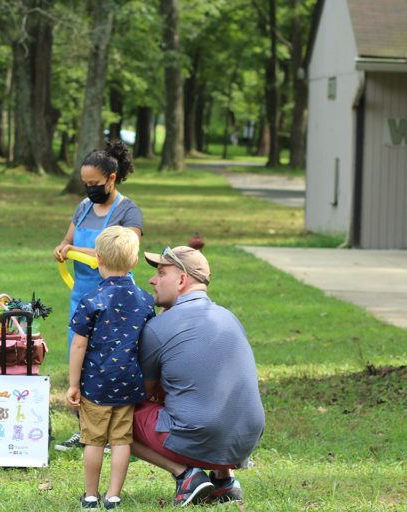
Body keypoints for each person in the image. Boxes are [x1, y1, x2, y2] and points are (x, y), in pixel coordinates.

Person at [132, 246, 265, 506]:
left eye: (161, 273)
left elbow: (142, 394)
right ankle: (224, 480)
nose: (152, 280)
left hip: (202, 439)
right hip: (245, 441)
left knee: (115, 412)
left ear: (182, 280)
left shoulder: (158, 328)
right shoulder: (229, 317)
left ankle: (185, 475)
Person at [53, 140, 144, 452]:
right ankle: (86, 431)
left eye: (95, 183)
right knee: (80, 358)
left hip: (116, 299)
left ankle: (112, 435)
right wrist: (63, 249)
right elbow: (68, 239)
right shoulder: (83, 207)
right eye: (85, 183)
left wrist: (75, 250)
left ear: (111, 179)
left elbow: (124, 250)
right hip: (82, 295)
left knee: (110, 363)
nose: (90, 189)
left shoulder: (128, 211)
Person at [66, 226, 156, 509]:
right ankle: (114, 495)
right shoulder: (145, 300)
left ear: (98, 261)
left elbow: (78, 345)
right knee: (121, 440)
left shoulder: (91, 300)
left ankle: (91, 495)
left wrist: (73, 384)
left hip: (95, 384)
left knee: (93, 440)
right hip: (129, 382)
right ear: (134, 262)